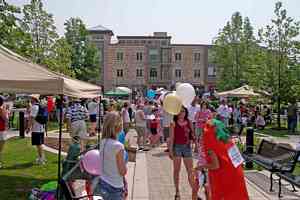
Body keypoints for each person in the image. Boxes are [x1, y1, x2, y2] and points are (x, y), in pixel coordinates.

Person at [194, 109, 249, 200]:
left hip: (225, 177)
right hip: (237, 174)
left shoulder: (211, 146)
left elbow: (215, 165)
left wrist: (201, 167)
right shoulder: (227, 141)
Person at [94, 112, 127, 200]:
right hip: (114, 187)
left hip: (102, 183)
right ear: (119, 127)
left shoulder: (102, 142)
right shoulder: (118, 146)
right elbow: (122, 171)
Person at [169, 107, 197, 200]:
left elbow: (193, 134)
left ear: (186, 112)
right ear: (176, 113)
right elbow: (171, 138)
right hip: (177, 147)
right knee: (176, 170)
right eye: (180, 111)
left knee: (190, 171)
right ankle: (177, 191)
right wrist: (170, 150)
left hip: (187, 147)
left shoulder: (189, 122)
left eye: (183, 111)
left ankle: (194, 191)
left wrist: (196, 145)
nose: (182, 113)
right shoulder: (173, 123)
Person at [26, 94, 46, 165]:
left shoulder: (34, 107)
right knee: (39, 144)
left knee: (38, 144)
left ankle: (41, 159)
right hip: (41, 127)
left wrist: (28, 128)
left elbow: (31, 118)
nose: (30, 99)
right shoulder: (40, 106)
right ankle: (42, 157)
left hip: (36, 128)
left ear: (34, 99)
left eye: (31, 98)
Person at [0, 96, 9, 168]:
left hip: (1, 129)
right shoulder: (1, 109)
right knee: (0, 148)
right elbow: (5, 119)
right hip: (1, 130)